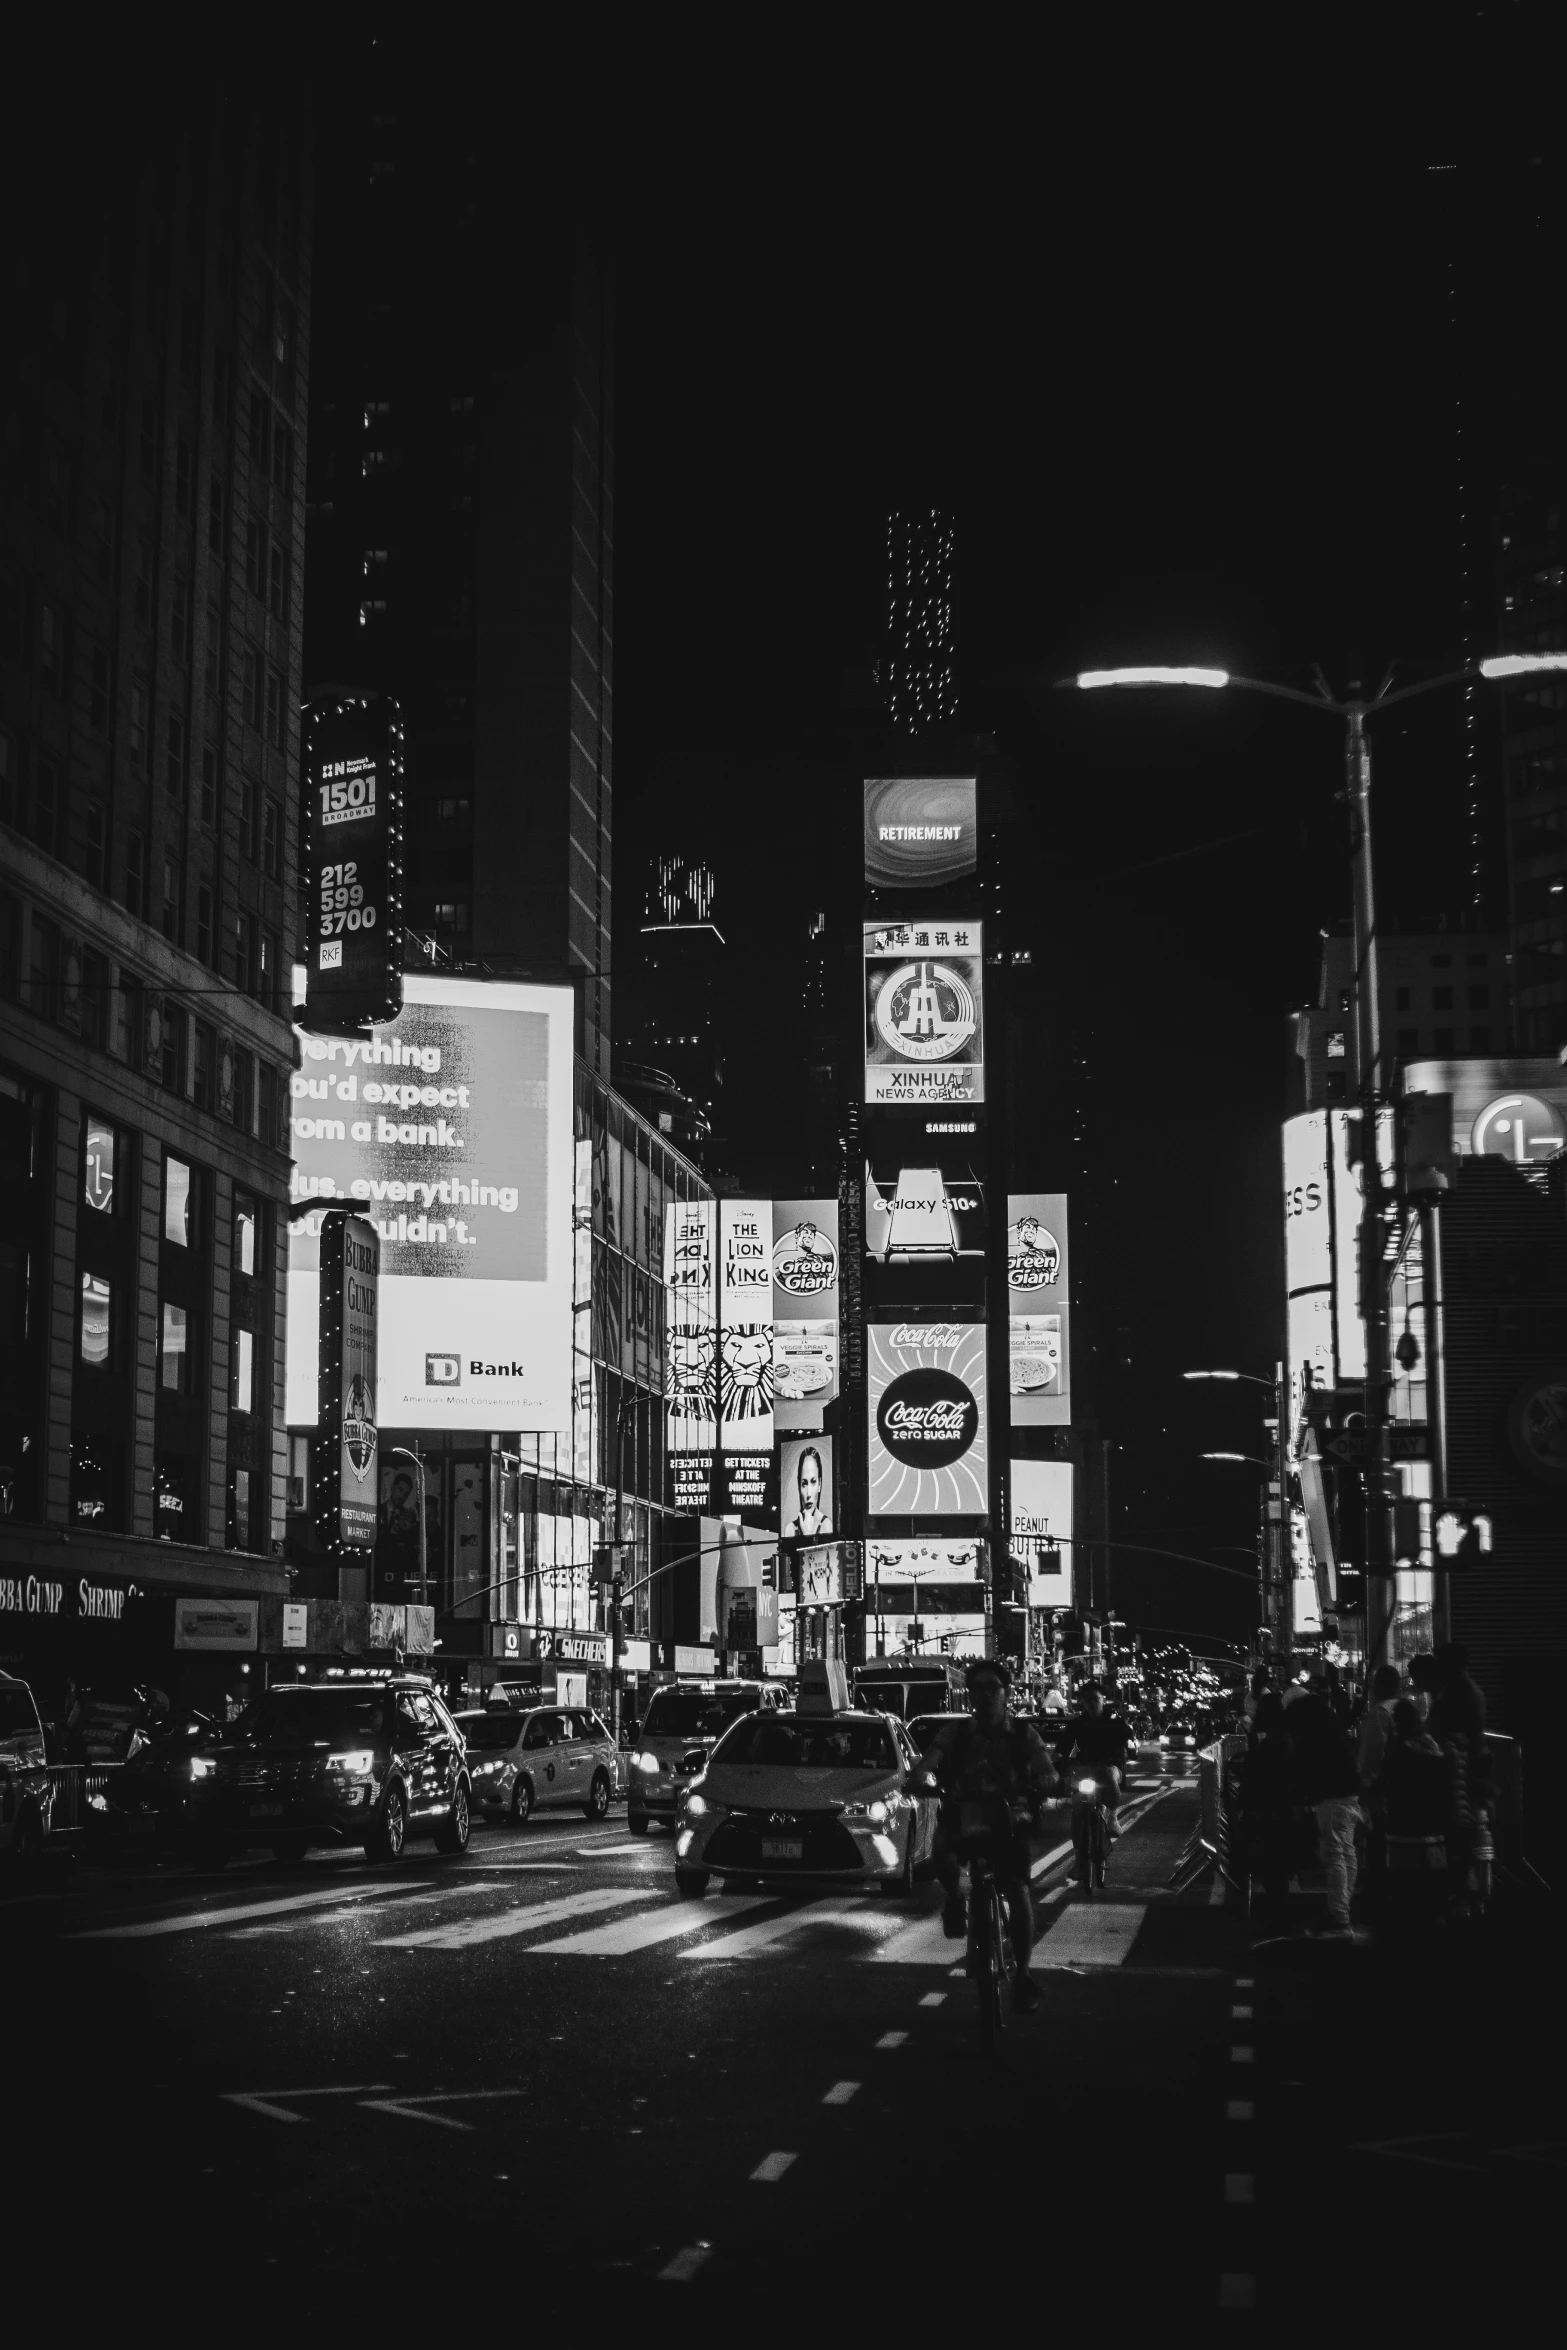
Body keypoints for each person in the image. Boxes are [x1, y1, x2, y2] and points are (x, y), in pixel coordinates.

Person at [925, 1659, 1058, 2015]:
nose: (984, 1695)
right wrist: (919, 1777)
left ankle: (1024, 1975)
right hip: (964, 1812)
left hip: (1009, 1818)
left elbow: (1045, 1764)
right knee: (941, 1852)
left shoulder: (1023, 1733)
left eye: (992, 1687)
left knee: (1018, 1890)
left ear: (1006, 1692)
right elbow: (931, 1759)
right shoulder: (957, 1733)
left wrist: (1047, 1777)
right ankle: (954, 1898)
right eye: (977, 1688)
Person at [1286, 1668, 1362, 1938]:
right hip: (1350, 1792)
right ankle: (1342, 1910)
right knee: (1346, 1853)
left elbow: (1304, 1768)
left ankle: (1339, 1918)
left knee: (1334, 1854)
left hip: (1332, 1796)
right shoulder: (1329, 1723)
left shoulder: (1310, 1733)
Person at [1054, 1683, 1132, 1836]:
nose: (1091, 1703)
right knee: (1074, 1789)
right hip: (1084, 1766)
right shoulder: (1077, 1723)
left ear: (1103, 1700)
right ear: (1083, 1701)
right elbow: (1063, 1746)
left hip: (1110, 1765)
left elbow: (1126, 1743)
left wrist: (1124, 1752)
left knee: (1111, 1777)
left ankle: (1112, 1817)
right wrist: (1059, 1759)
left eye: (1095, 1699)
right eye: (1087, 1699)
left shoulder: (1116, 1722)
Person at [785, 1445, 833, 1539]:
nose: (809, 1494)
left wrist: (808, 1534)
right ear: (799, 1486)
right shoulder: (790, 1529)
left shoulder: (826, 1526)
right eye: (804, 1484)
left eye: (813, 1482)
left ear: (819, 1485)